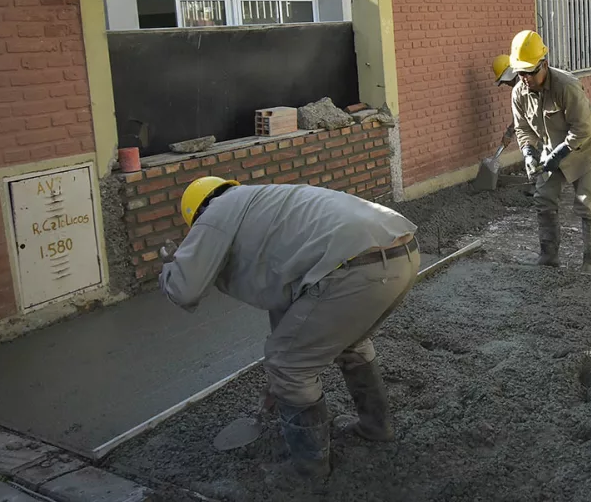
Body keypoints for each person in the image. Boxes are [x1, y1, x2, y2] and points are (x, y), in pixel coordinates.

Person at [158, 177, 420, 479]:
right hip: (402, 251)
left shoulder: (216, 214)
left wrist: (169, 265)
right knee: (348, 342)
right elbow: (291, 313)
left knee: (291, 368)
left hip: (356, 266)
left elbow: (184, 289)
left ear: (198, 213)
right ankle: (376, 427)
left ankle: (308, 470)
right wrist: (276, 383)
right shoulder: (264, 205)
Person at [508, 30, 591, 274]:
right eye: (520, 72)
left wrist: (561, 152)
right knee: (543, 199)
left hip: (586, 148)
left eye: (530, 72)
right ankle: (548, 259)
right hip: (551, 148)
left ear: (544, 64)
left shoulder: (566, 86)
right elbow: (523, 127)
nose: (525, 78)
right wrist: (528, 152)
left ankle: (590, 263)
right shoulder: (519, 93)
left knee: (586, 203)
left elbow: (583, 127)